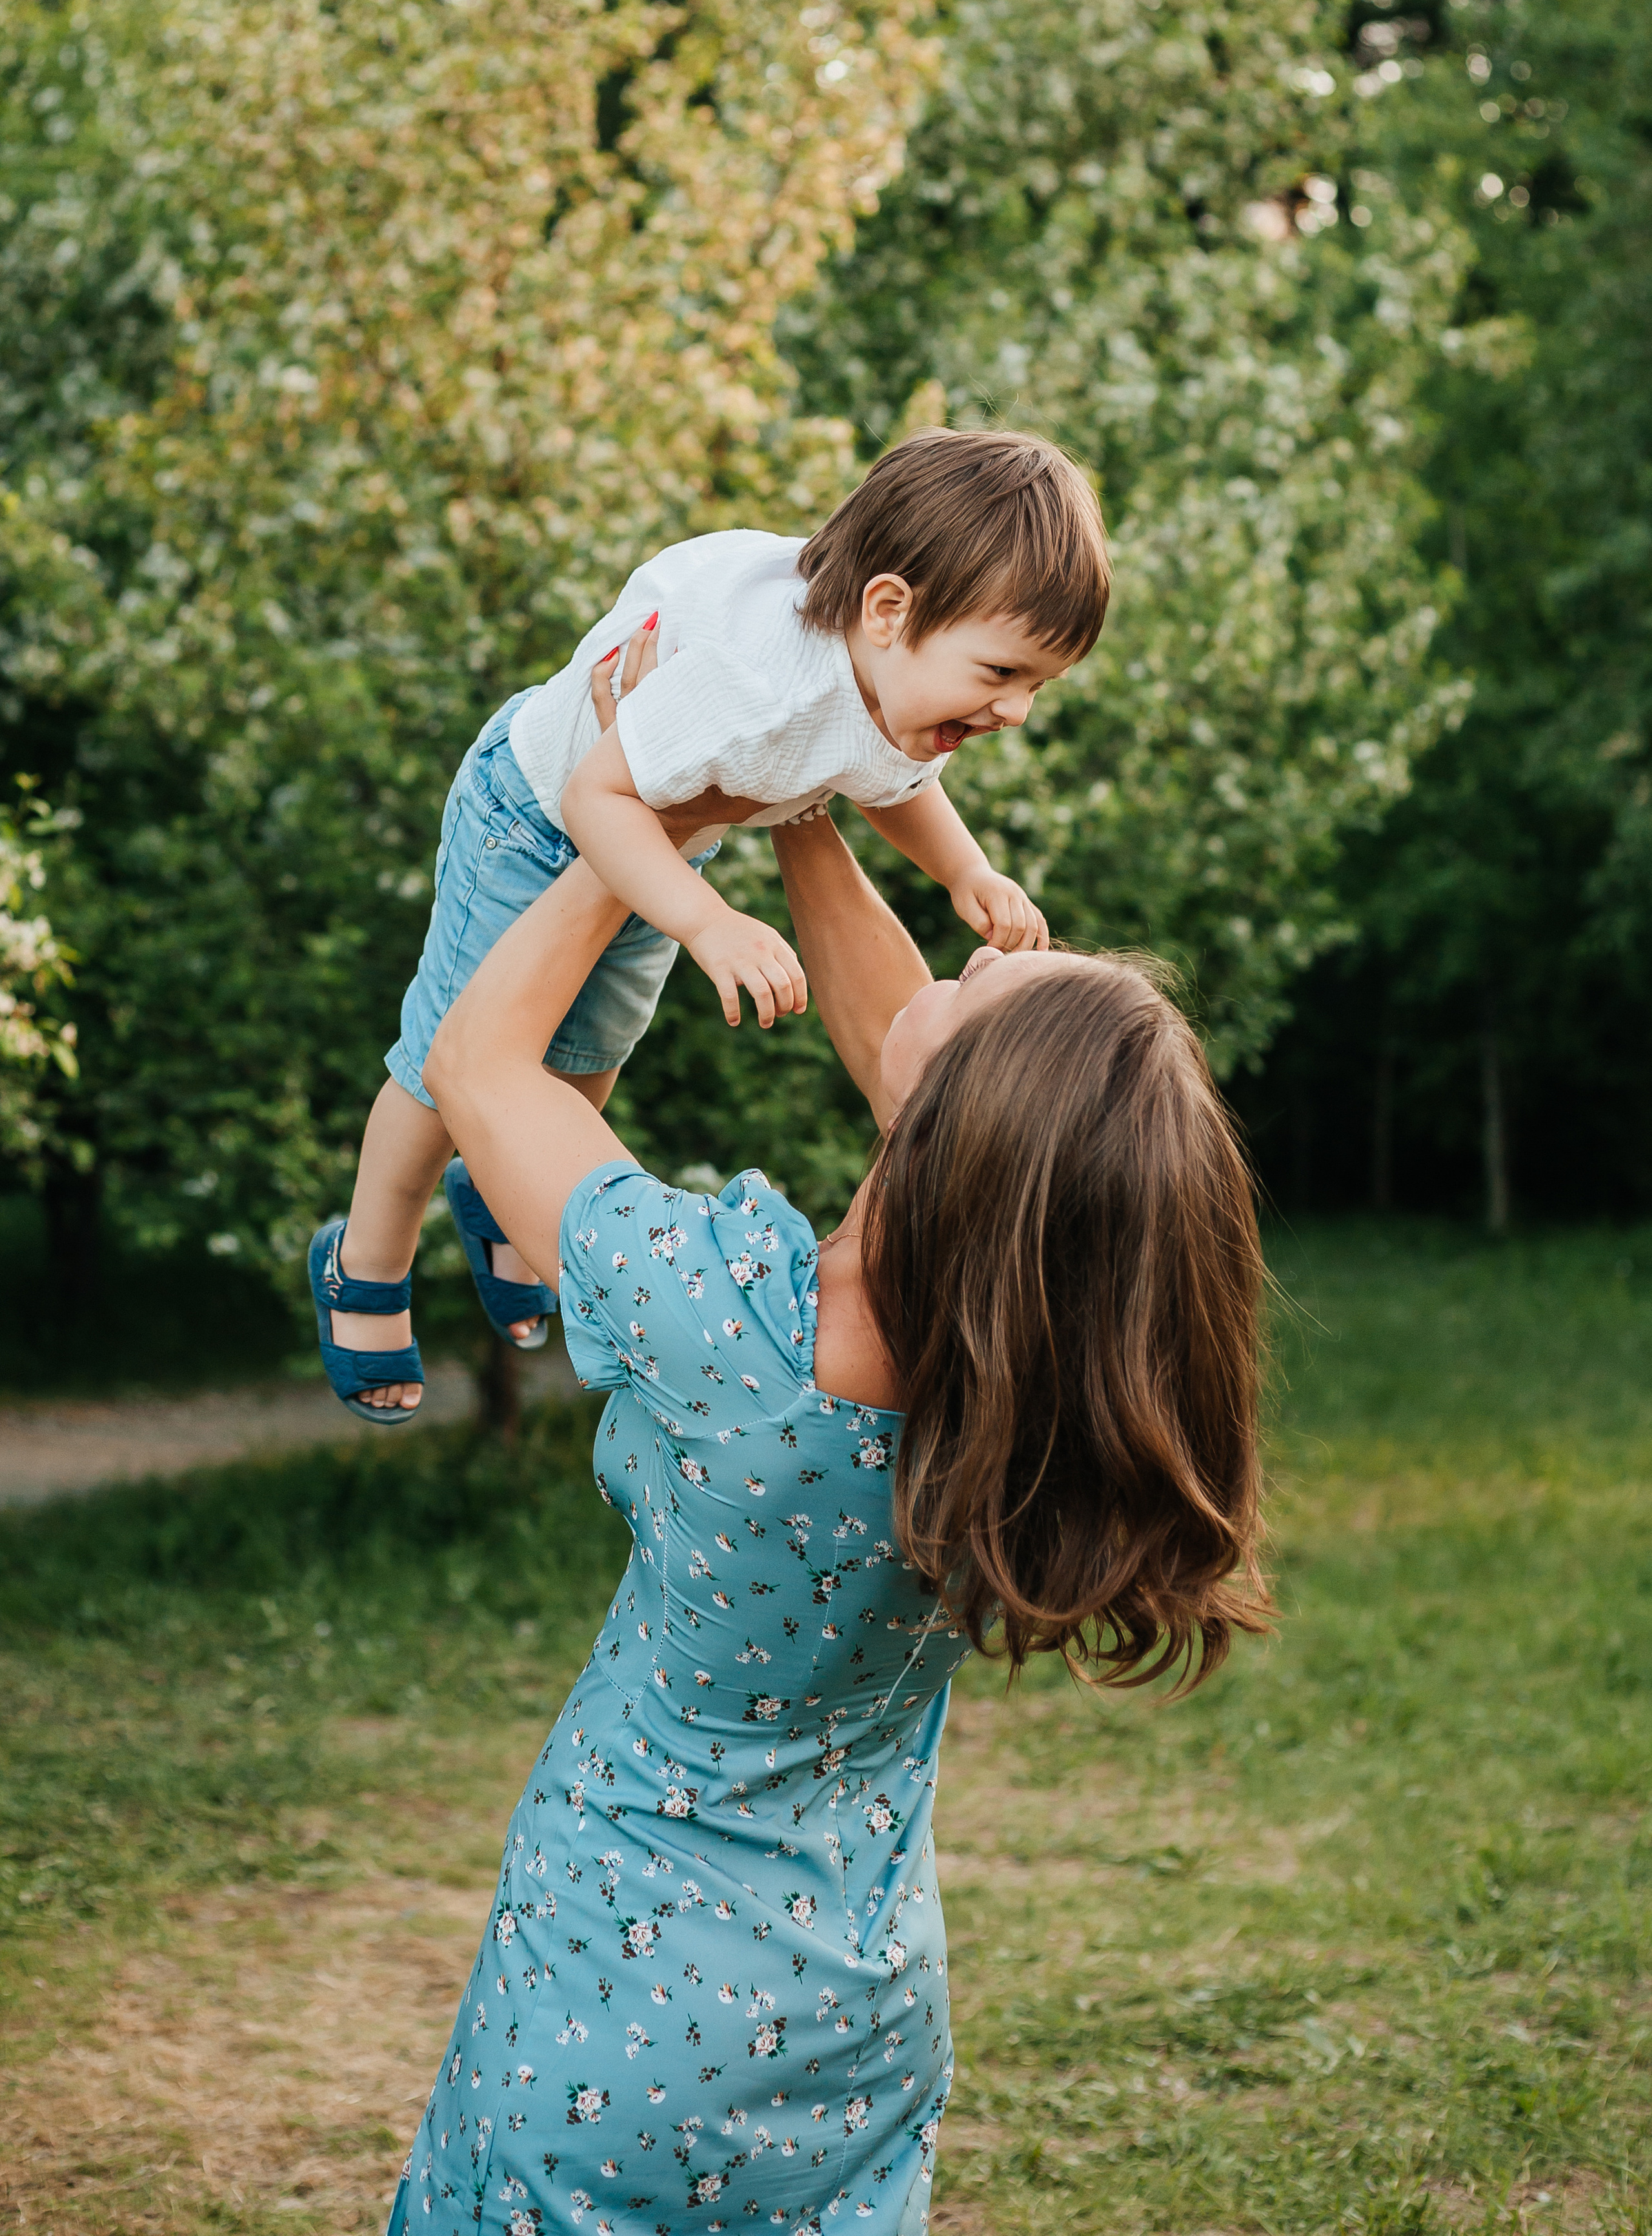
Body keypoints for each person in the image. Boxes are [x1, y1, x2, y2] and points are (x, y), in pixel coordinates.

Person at [383, 629, 1269, 2236]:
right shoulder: (1011, 1386)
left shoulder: (727, 1325)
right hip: (851, 2022)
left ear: (953, 1130)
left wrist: (637, 806)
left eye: (992, 985)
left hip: (612, 2008)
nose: (971, 963)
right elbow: (910, 1057)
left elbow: (477, 1062)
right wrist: (799, 769)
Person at [309, 429, 1110, 1423]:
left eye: (1038, 685)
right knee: (442, 1066)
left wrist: (965, 869)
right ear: (889, 611)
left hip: (665, 842)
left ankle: (505, 1190)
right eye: (1002, 673)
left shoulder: (900, 682)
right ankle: (366, 1263)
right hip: (540, 817)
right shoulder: (756, 681)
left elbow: (888, 782)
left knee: (590, 1059)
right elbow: (601, 797)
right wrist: (707, 922)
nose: (1018, 711)